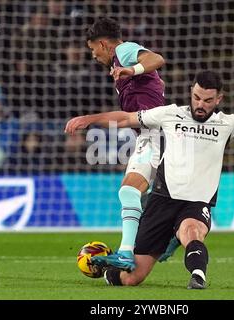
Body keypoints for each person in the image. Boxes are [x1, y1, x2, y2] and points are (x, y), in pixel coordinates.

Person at [65, 71, 234, 289]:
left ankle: (197, 276)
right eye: (197, 97)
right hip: (162, 200)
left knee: (191, 231)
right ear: (191, 92)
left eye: (208, 100)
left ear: (219, 99)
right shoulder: (170, 114)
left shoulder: (227, 124)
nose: (201, 104)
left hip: (196, 203)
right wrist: (89, 120)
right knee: (133, 278)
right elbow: (125, 117)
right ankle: (107, 267)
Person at [84, 17, 166, 270]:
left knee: (130, 191)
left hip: (158, 132)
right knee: (134, 192)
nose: (94, 56)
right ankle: (163, 236)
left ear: (102, 44)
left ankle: (128, 252)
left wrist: (133, 70)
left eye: (92, 49)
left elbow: (156, 59)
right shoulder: (119, 64)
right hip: (151, 133)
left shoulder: (124, 50)